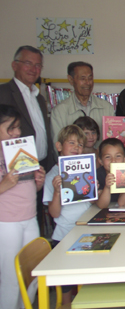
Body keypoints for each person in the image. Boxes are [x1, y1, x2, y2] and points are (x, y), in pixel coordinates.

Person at [0, 46, 56, 235]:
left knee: (36, 216)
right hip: (10, 170)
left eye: (38, 65)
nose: (33, 69)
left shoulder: (39, 97)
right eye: (28, 63)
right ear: (14, 65)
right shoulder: (4, 93)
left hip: (39, 166)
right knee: (16, 222)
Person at [0, 105, 46, 309]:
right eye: (10, 128)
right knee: (11, 278)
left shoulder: (21, 149)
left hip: (30, 218)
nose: (17, 133)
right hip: (7, 223)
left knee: (32, 275)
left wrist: (38, 183)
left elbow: (28, 188)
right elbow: (8, 187)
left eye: (17, 127)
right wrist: (4, 184)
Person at [43, 124, 91, 304]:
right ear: (59, 146)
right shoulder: (52, 176)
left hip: (86, 232)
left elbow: (90, 202)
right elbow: (54, 213)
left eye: (79, 144)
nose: (76, 148)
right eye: (71, 143)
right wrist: (57, 191)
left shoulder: (85, 170)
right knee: (66, 283)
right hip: (64, 235)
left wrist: (94, 188)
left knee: (85, 275)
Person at [50, 61, 115, 149]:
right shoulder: (59, 112)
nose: (87, 83)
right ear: (71, 80)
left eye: (90, 78)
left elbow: (114, 143)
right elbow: (57, 147)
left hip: (101, 161)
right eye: (82, 78)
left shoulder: (107, 108)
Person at [95, 138, 125, 208]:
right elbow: (102, 205)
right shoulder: (97, 175)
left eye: (118, 156)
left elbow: (122, 203)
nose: (113, 161)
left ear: (124, 159)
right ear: (100, 161)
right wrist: (107, 187)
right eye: (108, 157)